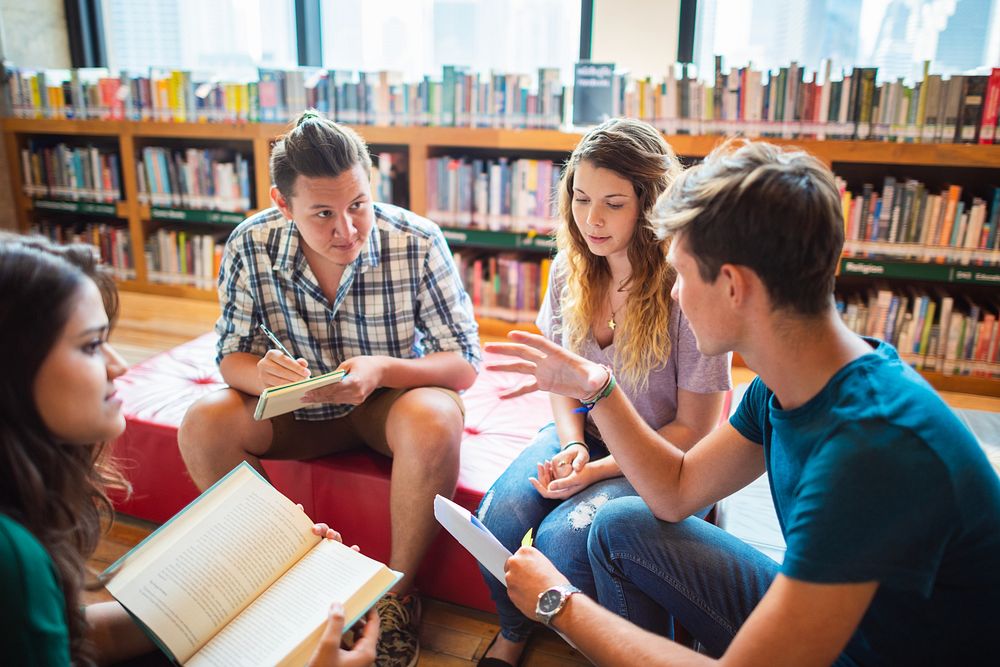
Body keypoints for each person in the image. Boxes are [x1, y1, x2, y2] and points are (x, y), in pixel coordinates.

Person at [487, 140, 1000, 666]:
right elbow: (676, 492)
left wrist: (558, 604)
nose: (674, 294)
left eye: (681, 274)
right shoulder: (784, 385)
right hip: (843, 624)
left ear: (733, 286)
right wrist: (598, 386)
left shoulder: (873, 450)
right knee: (622, 524)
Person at [178, 110, 481, 667]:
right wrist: (258, 375)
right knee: (203, 423)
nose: (347, 230)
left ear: (372, 183)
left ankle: (396, 595)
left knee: (437, 417)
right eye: (322, 213)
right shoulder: (250, 244)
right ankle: (278, 578)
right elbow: (229, 355)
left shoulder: (416, 240)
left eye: (358, 204)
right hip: (295, 412)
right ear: (281, 202)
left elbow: (462, 363)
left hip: (385, 405)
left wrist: (383, 370)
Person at [0, 233, 379, 667]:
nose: (118, 365)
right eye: (89, 345)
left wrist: (247, 589)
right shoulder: (12, 557)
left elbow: (74, 635)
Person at [474, 118, 731, 666]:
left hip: (659, 451)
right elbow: (561, 383)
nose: (591, 219)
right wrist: (573, 445)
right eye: (581, 198)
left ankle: (603, 644)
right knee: (496, 517)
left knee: (565, 539)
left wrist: (597, 468)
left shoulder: (686, 286)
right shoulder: (571, 271)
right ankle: (514, 631)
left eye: (613, 204)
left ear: (649, 205)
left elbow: (695, 431)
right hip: (584, 434)